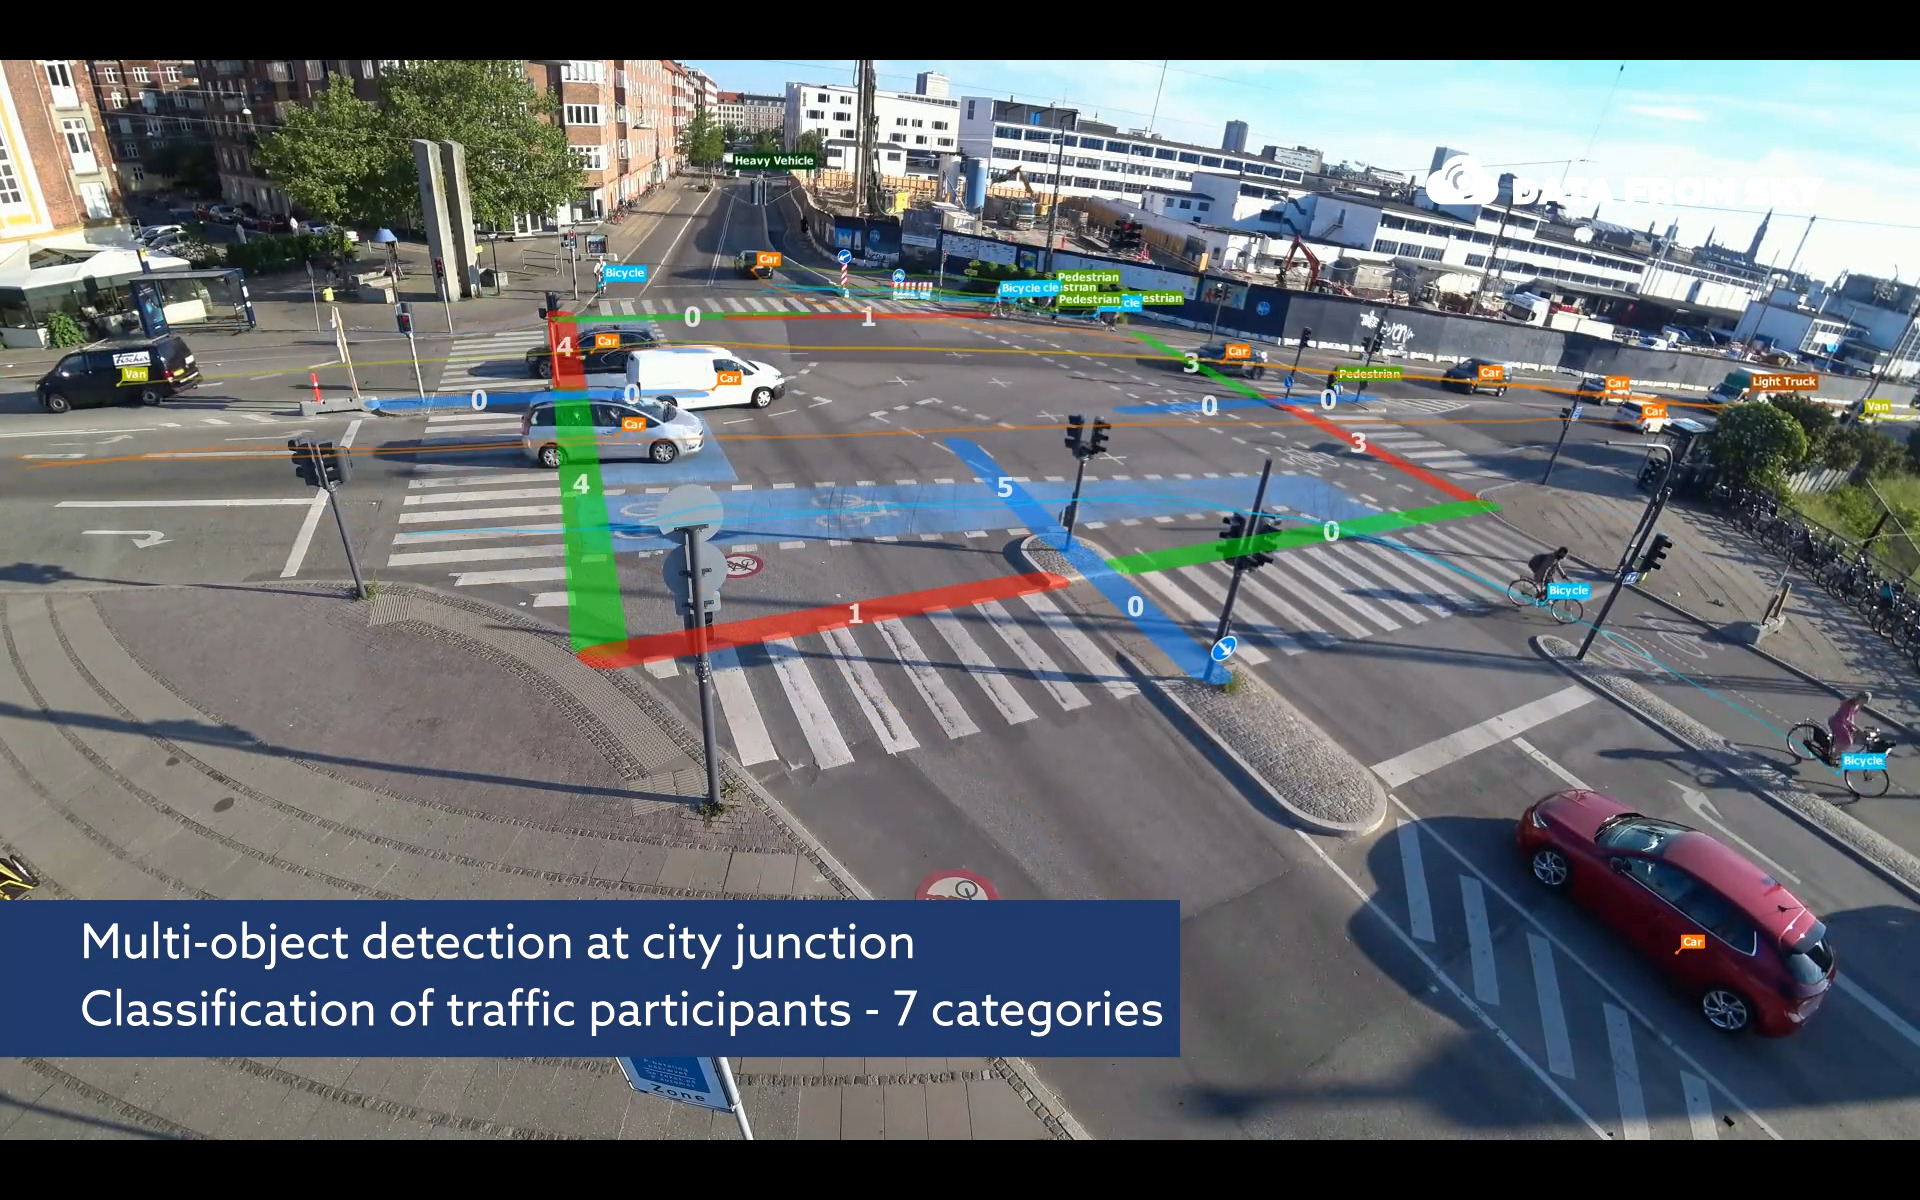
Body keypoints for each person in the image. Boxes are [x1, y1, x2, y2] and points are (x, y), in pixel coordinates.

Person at [1828, 692, 1870, 761]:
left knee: (1850, 736)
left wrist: (1853, 727)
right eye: (1864, 701)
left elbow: (1851, 716)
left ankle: (1836, 751)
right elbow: (1845, 719)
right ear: (1860, 698)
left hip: (1842, 723)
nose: (1864, 703)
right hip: (1837, 722)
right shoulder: (1849, 704)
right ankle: (1834, 755)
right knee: (1847, 741)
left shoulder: (1857, 705)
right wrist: (1856, 727)